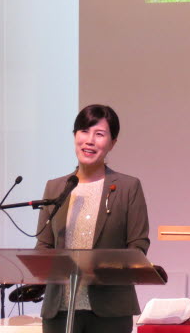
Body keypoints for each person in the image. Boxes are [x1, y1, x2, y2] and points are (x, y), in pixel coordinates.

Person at [36, 104, 150, 333]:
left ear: (112, 143)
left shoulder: (128, 187)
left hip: (110, 311)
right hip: (59, 311)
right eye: (84, 131)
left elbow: (138, 245)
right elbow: (44, 245)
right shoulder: (55, 188)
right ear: (74, 136)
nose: (89, 140)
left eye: (99, 134)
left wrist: (104, 267)